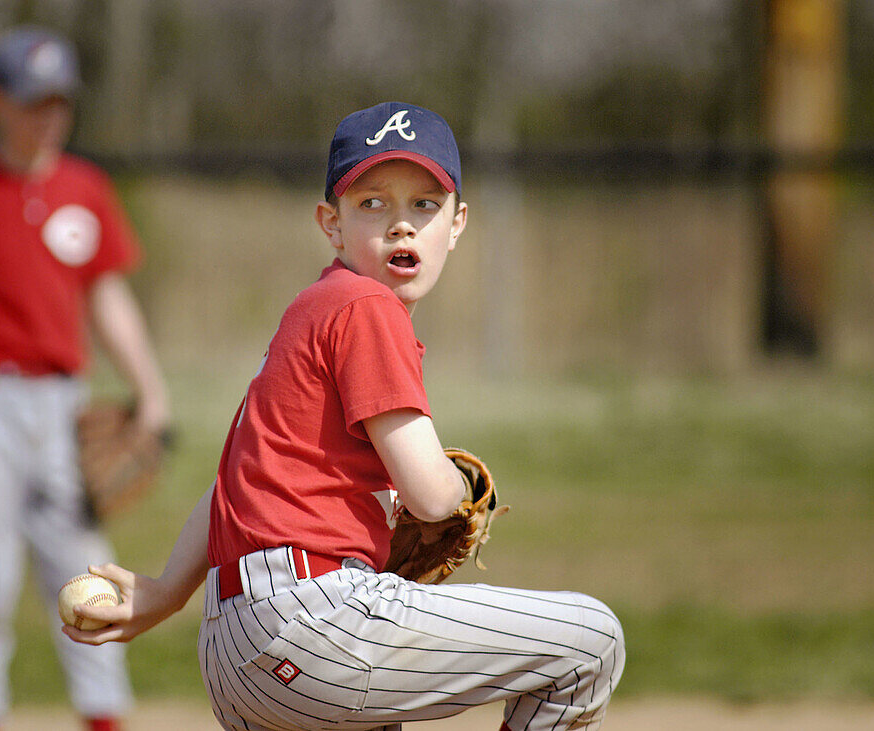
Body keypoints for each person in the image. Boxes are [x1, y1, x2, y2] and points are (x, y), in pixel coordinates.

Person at [64, 102, 624, 731]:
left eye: (424, 205)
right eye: (372, 204)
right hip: (316, 623)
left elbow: (231, 485)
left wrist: (169, 591)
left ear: (457, 222)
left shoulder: (310, 312)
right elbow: (431, 496)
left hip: (236, 647)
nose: (401, 227)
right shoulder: (365, 306)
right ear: (331, 223)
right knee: (590, 642)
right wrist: (457, 486)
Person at [0, 26, 170, 731]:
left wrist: (150, 385)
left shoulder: (84, 187)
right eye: (32, 101)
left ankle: (103, 713)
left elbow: (107, 297)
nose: (48, 116)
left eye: (59, 102)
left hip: (63, 403)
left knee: (84, 570)